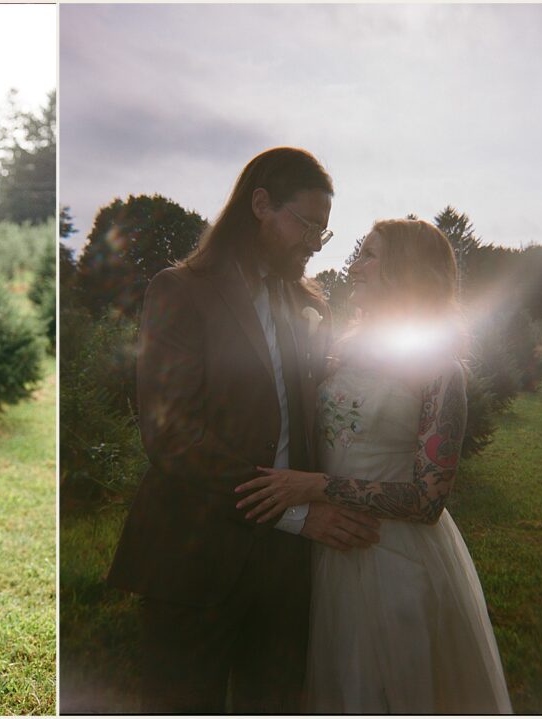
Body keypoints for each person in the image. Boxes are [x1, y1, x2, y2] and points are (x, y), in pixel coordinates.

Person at [107, 147, 382, 713]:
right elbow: (172, 435)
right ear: (260, 204)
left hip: (287, 571)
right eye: (306, 224)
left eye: (323, 234)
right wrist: (298, 512)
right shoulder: (181, 290)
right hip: (197, 555)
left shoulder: (308, 303)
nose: (313, 242)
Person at [237, 219, 512, 713]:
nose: (355, 265)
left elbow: (428, 501)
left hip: (396, 557)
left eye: (369, 255)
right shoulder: (340, 352)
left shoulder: (439, 370)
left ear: (406, 271)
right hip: (325, 550)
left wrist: (316, 486)